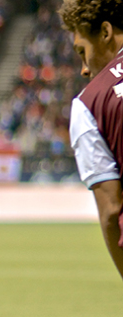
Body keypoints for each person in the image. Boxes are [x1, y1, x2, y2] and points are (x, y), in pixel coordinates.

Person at [62, 0, 123, 280]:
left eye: (82, 52)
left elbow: (111, 212)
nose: (84, 69)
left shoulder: (89, 104)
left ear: (106, 32)